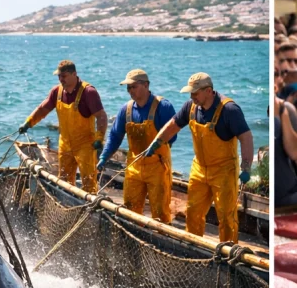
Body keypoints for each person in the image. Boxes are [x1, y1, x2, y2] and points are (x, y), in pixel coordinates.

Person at [146, 73, 252, 242]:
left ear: (208, 91)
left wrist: (246, 167)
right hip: (199, 168)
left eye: (195, 93)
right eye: (190, 93)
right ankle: (193, 247)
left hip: (224, 170)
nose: (191, 96)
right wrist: (156, 143)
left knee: (226, 217)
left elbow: (246, 138)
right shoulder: (191, 106)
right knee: (193, 212)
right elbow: (173, 125)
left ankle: (228, 254)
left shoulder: (230, 110)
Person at [96, 69, 177, 223]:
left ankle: (161, 240)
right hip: (134, 166)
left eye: (133, 87)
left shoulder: (163, 107)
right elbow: (115, 136)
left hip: (158, 168)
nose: (130, 91)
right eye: (128, 88)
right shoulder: (125, 110)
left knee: (160, 212)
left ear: (146, 85)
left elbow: (173, 136)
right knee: (130, 209)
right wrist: (104, 156)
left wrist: (157, 147)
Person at [20, 60, 107, 194]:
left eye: (64, 76)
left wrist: (99, 138)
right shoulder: (57, 91)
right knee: (64, 180)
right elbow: (43, 109)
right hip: (65, 144)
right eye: (59, 76)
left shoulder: (88, 92)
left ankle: (90, 209)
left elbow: (101, 116)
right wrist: (29, 122)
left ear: (74, 74)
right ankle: (68, 205)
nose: (61, 79)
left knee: (89, 181)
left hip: (85, 145)